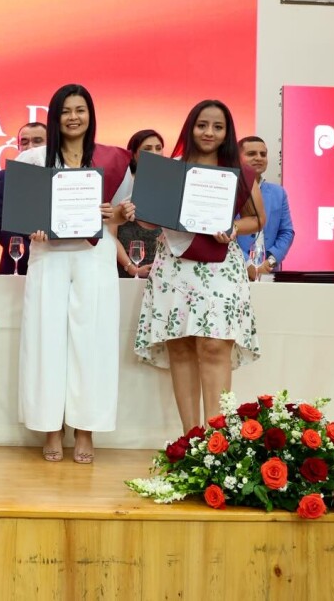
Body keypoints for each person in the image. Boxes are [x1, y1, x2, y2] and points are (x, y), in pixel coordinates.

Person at [16, 85, 134, 463]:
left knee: (92, 343)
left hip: (94, 256)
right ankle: (51, 429)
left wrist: (114, 214)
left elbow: (121, 214)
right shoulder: (34, 159)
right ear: (54, 116)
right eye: (65, 111)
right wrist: (31, 227)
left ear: (90, 115)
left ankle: (85, 431)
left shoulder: (111, 159)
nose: (73, 117)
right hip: (47, 255)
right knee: (45, 341)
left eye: (80, 110)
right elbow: (22, 212)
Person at [134, 100, 265, 432]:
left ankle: (216, 442)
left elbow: (257, 219)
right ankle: (190, 440)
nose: (209, 132)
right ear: (190, 127)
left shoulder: (238, 171)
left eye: (217, 127)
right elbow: (148, 222)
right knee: (180, 347)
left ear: (227, 132)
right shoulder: (169, 169)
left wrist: (234, 228)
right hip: (174, 264)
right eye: (202, 125)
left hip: (220, 265)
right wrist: (140, 209)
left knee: (214, 345)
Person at [0, 122, 46, 274]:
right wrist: (28, 251)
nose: (30, 147)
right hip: (17, 263)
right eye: (24, 142)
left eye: (38, 141)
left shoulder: (61, 177)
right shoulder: (5, 177)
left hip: (55, 263)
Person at [236, 135, 294, 276]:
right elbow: (225, 232)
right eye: (251, 154)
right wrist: (247, 264)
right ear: (237, 158)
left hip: (268, 272)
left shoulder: (278, 193)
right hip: (234, 269)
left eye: (263, 154)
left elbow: (286, 232)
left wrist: (271, 261)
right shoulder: (228, 188)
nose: (259, 158)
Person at [115, 129, 165, 278]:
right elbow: (109, 232)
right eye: (147, 149)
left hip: (164, 270)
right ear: (133, 154)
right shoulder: (122, 183)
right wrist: (132, 268)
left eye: (158, 148)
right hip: (126, 270)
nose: (154, 153)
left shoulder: (171, 184)